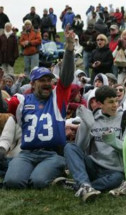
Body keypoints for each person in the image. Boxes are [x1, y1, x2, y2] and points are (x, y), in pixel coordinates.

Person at [3, 30, 75, 189]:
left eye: (49, 80)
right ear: (33, 84)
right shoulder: (22, 100)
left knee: (38, 182)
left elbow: (67, 77)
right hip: (27, 153)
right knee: (13, 182)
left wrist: (69, 51)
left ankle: (55, 170)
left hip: (52, 154)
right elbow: (4, 105)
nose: (47, 84)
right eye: (42, 80)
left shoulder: (58, 98)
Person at [59, 86, 126, 202]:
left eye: (116, 101)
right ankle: (85, 184)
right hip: (93, 165)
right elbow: (80, 147)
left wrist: (112, 141)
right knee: (70, 147)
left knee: (118, 179)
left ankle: (82, 185)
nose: (115, 105)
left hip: (114, 170)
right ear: (100, 104)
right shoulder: (92, 117)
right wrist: (86, 126)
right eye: (110, 102)